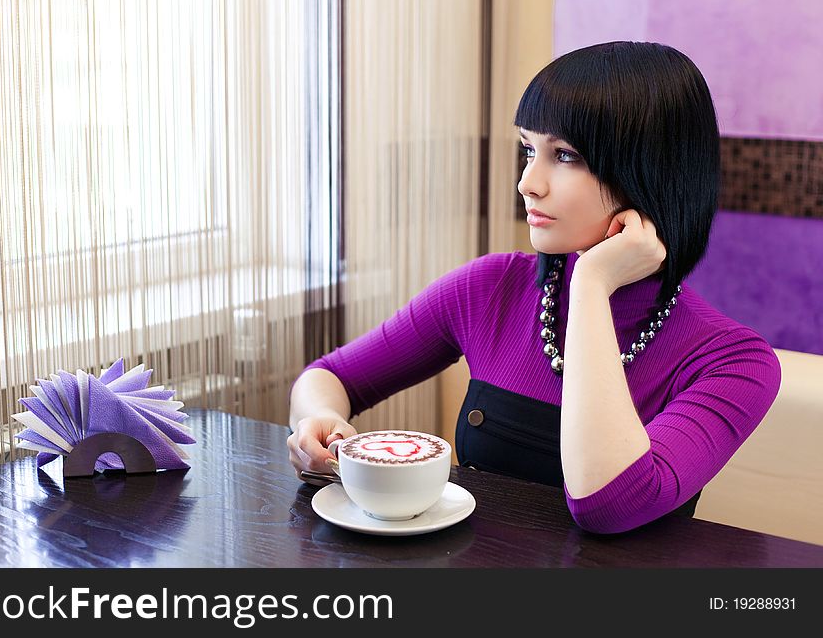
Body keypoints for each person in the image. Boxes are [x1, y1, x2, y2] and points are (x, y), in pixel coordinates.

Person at [286, 41, 782, 534]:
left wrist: (591, 282)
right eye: (529, 149)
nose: (528, 182)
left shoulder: (733, 362)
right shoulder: (490, 287)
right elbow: (329, 376)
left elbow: (609, 504)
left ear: (653, 171)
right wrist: (319, 422)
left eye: (565, 155)